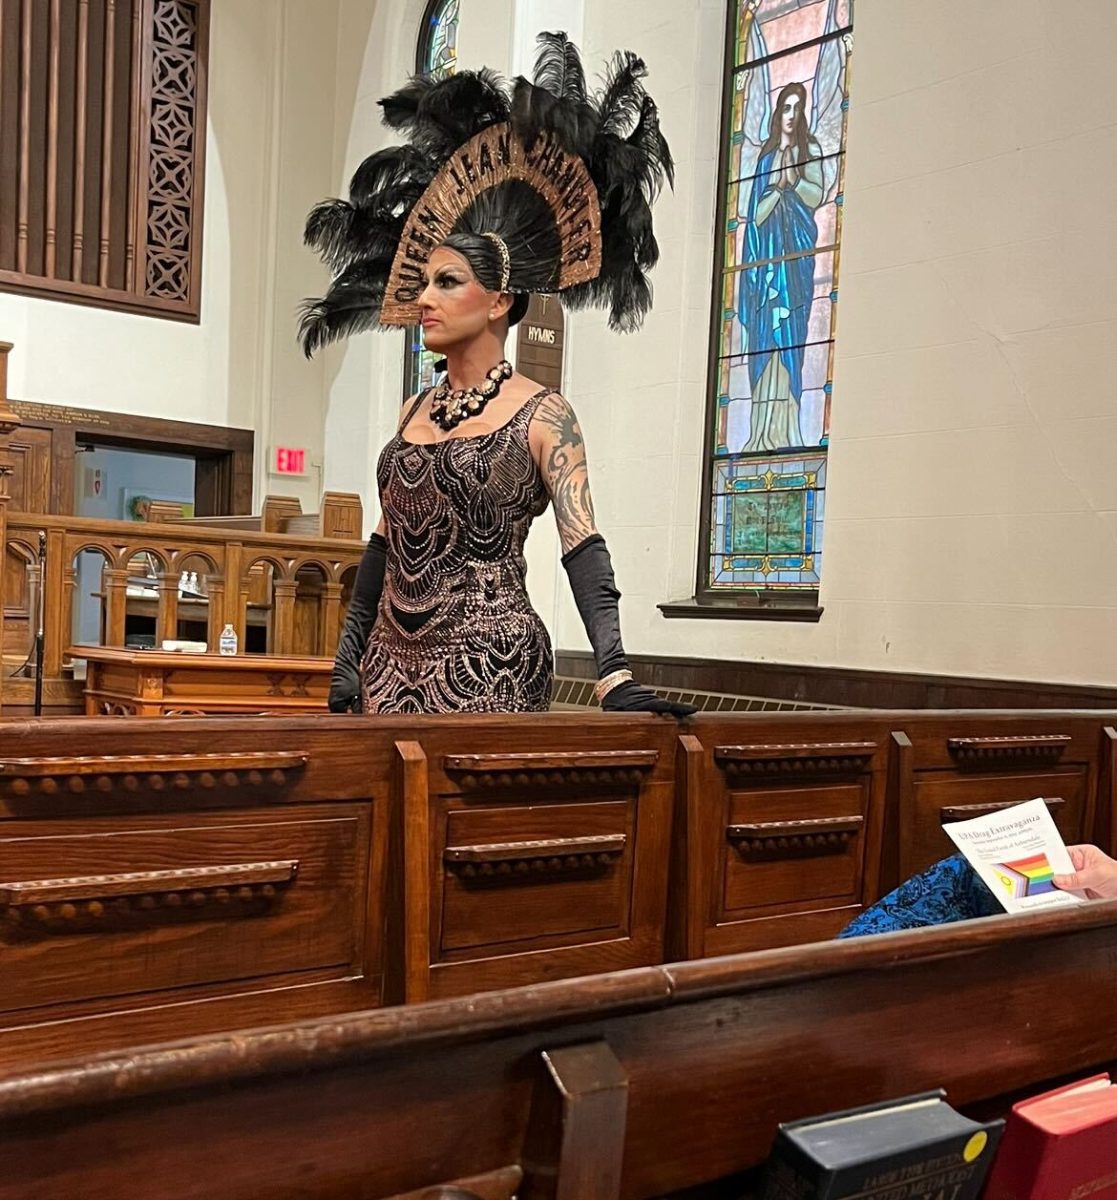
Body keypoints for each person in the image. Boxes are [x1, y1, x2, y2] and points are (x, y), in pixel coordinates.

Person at [301, 34, 694, 718]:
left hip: (494, 667)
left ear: (499, 301)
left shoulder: (544, 416)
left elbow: (583, 548)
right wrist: (346, 659)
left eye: (446, 283)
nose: (422, 298)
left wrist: (613, 673)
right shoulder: (410, 411)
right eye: (422, 281)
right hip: (387, 669)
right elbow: (382, 549)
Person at [738, 81, 824, 453]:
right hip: (765, 272)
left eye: (796, 107)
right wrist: (776, 187)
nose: (791, 115)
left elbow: (816, 195)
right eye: (785, 108)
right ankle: (760, 434)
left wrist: (794, 183)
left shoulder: (811, 150)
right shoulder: (764, 160)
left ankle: (789, 432)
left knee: (790, 341)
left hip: (794, 268)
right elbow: (755, 217)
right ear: (778, 115)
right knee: (765, 343)